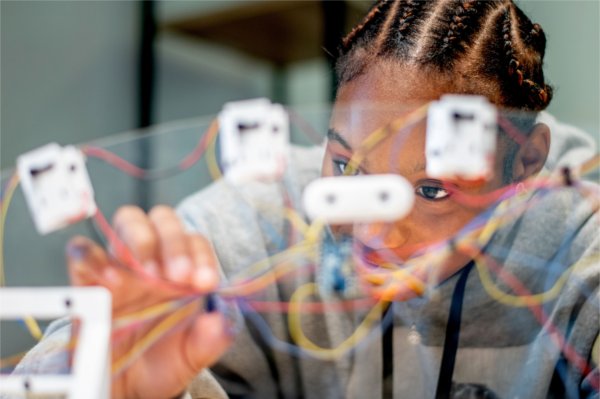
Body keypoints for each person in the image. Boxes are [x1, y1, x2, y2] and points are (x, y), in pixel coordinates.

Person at [14, 1, 598, 398]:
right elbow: (70, 360)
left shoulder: (579, 248)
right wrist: (106, 380)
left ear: (525, 160)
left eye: (431, 190)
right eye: (346, 164)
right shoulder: (265, 212)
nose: (373, 230)